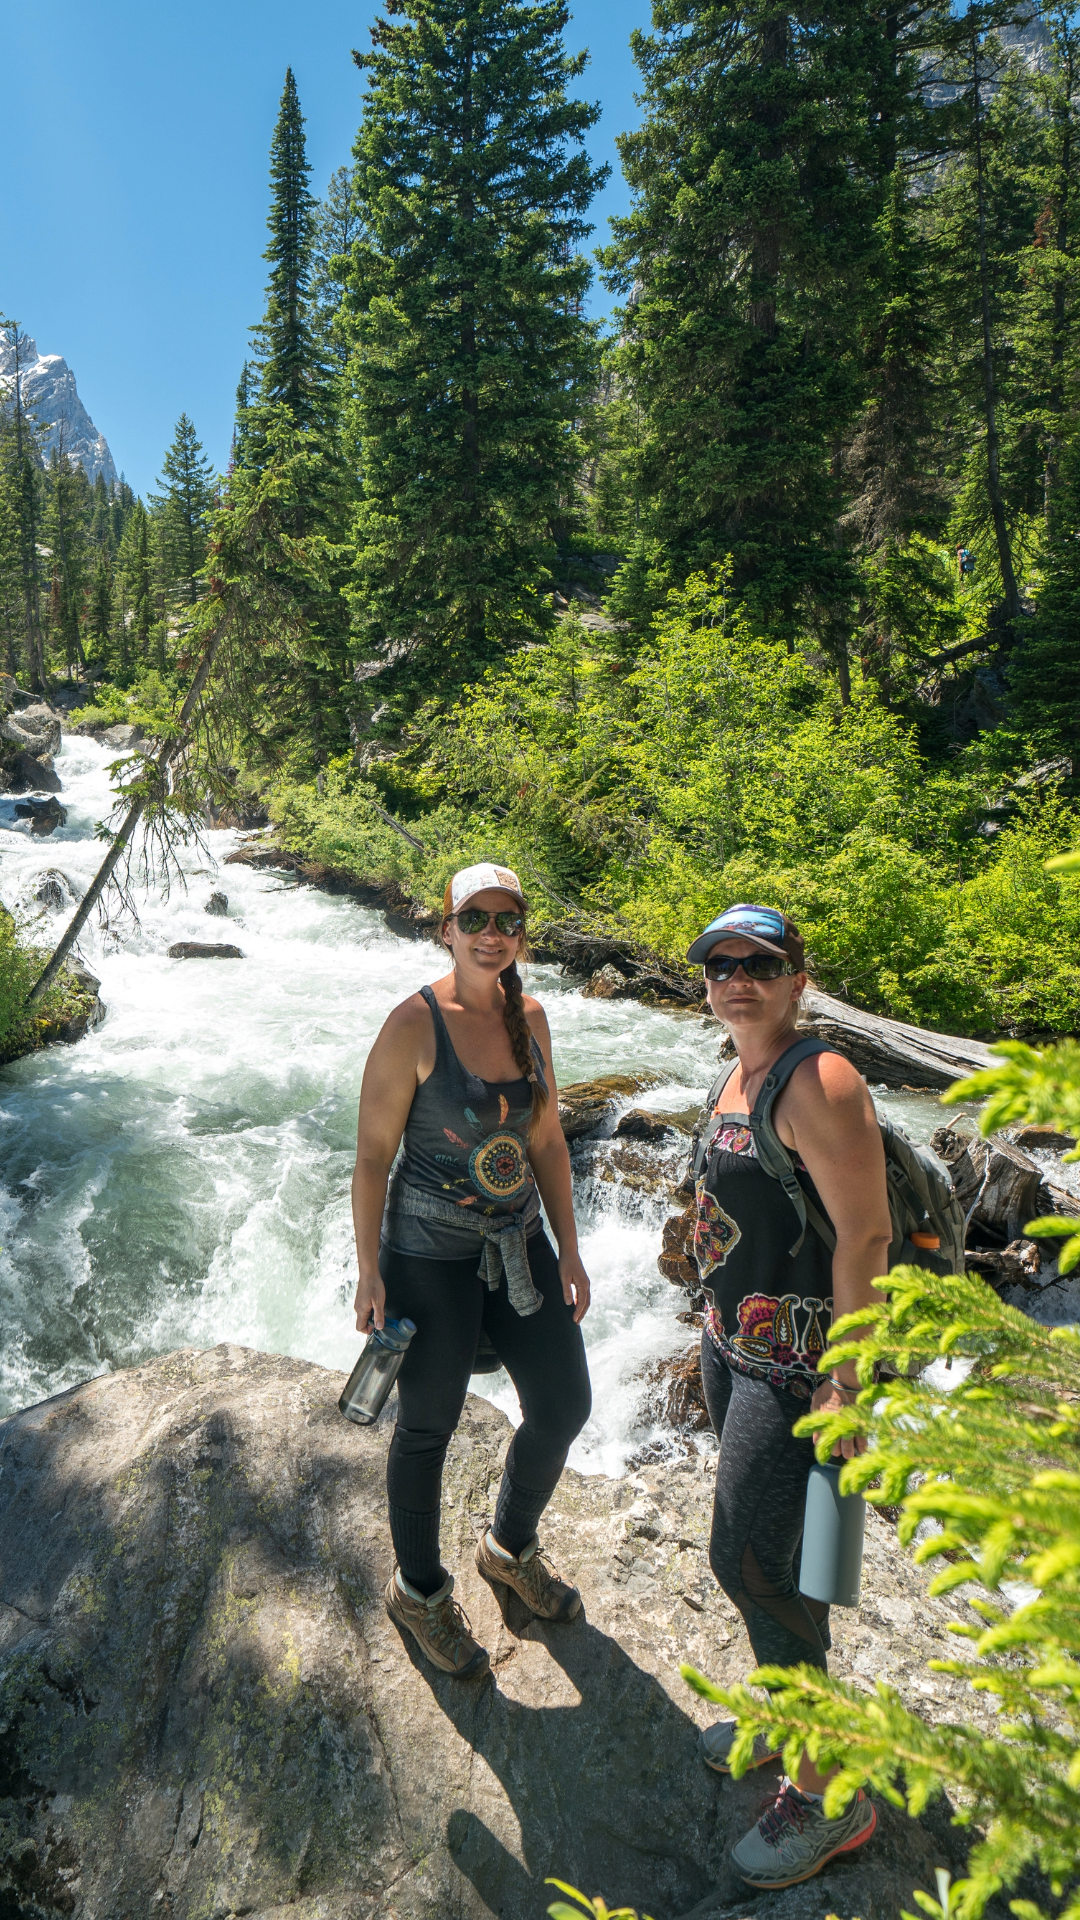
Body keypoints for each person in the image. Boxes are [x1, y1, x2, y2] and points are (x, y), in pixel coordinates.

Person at [684, 903, 892, 1890]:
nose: (737, 978)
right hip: (737, 1352)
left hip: (804, 1374)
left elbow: (867, 1239)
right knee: (791, 1563)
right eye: (720, 963)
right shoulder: (735, 1071)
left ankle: (830, 1790)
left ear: (797, 977)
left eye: (759, 963)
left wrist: (850, 1380)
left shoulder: (824, 1079)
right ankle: (787, 1713)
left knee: (752, 1562)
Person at [351, 861, 592, 1682]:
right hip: (428, 1253)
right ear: (445, 928)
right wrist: (368, 1273)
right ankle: (418, 1591)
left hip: (518, 1240)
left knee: (564, 1404)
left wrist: (570, 1248)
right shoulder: (411, 1027)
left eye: (509, 921)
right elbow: (372, 1158)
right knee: (429, 1425)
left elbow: (549, 1141)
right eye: (476, 918)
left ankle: (507, 1547)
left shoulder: (531, 1016)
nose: (494, 934)